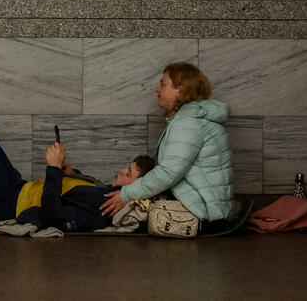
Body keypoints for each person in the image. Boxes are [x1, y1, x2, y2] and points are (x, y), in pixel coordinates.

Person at [0, 118, 156, 242]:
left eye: (128, 174)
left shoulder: (105, 205)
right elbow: (69, 193)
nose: (120, 173)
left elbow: (53, 215)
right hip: (17, 186)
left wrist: (54, 169)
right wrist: (70, 172)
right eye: (125, 168)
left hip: (7, 203)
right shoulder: (104, 191)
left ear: (139, 187)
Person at [100, 62, 233, 225]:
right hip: (207, 207)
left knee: (123, 208)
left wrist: (126, 195)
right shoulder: (191, 119)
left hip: (201, 213)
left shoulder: (187, 123)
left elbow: (168, 173)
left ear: (180, 89)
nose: (157, 89)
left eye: (163, 84)